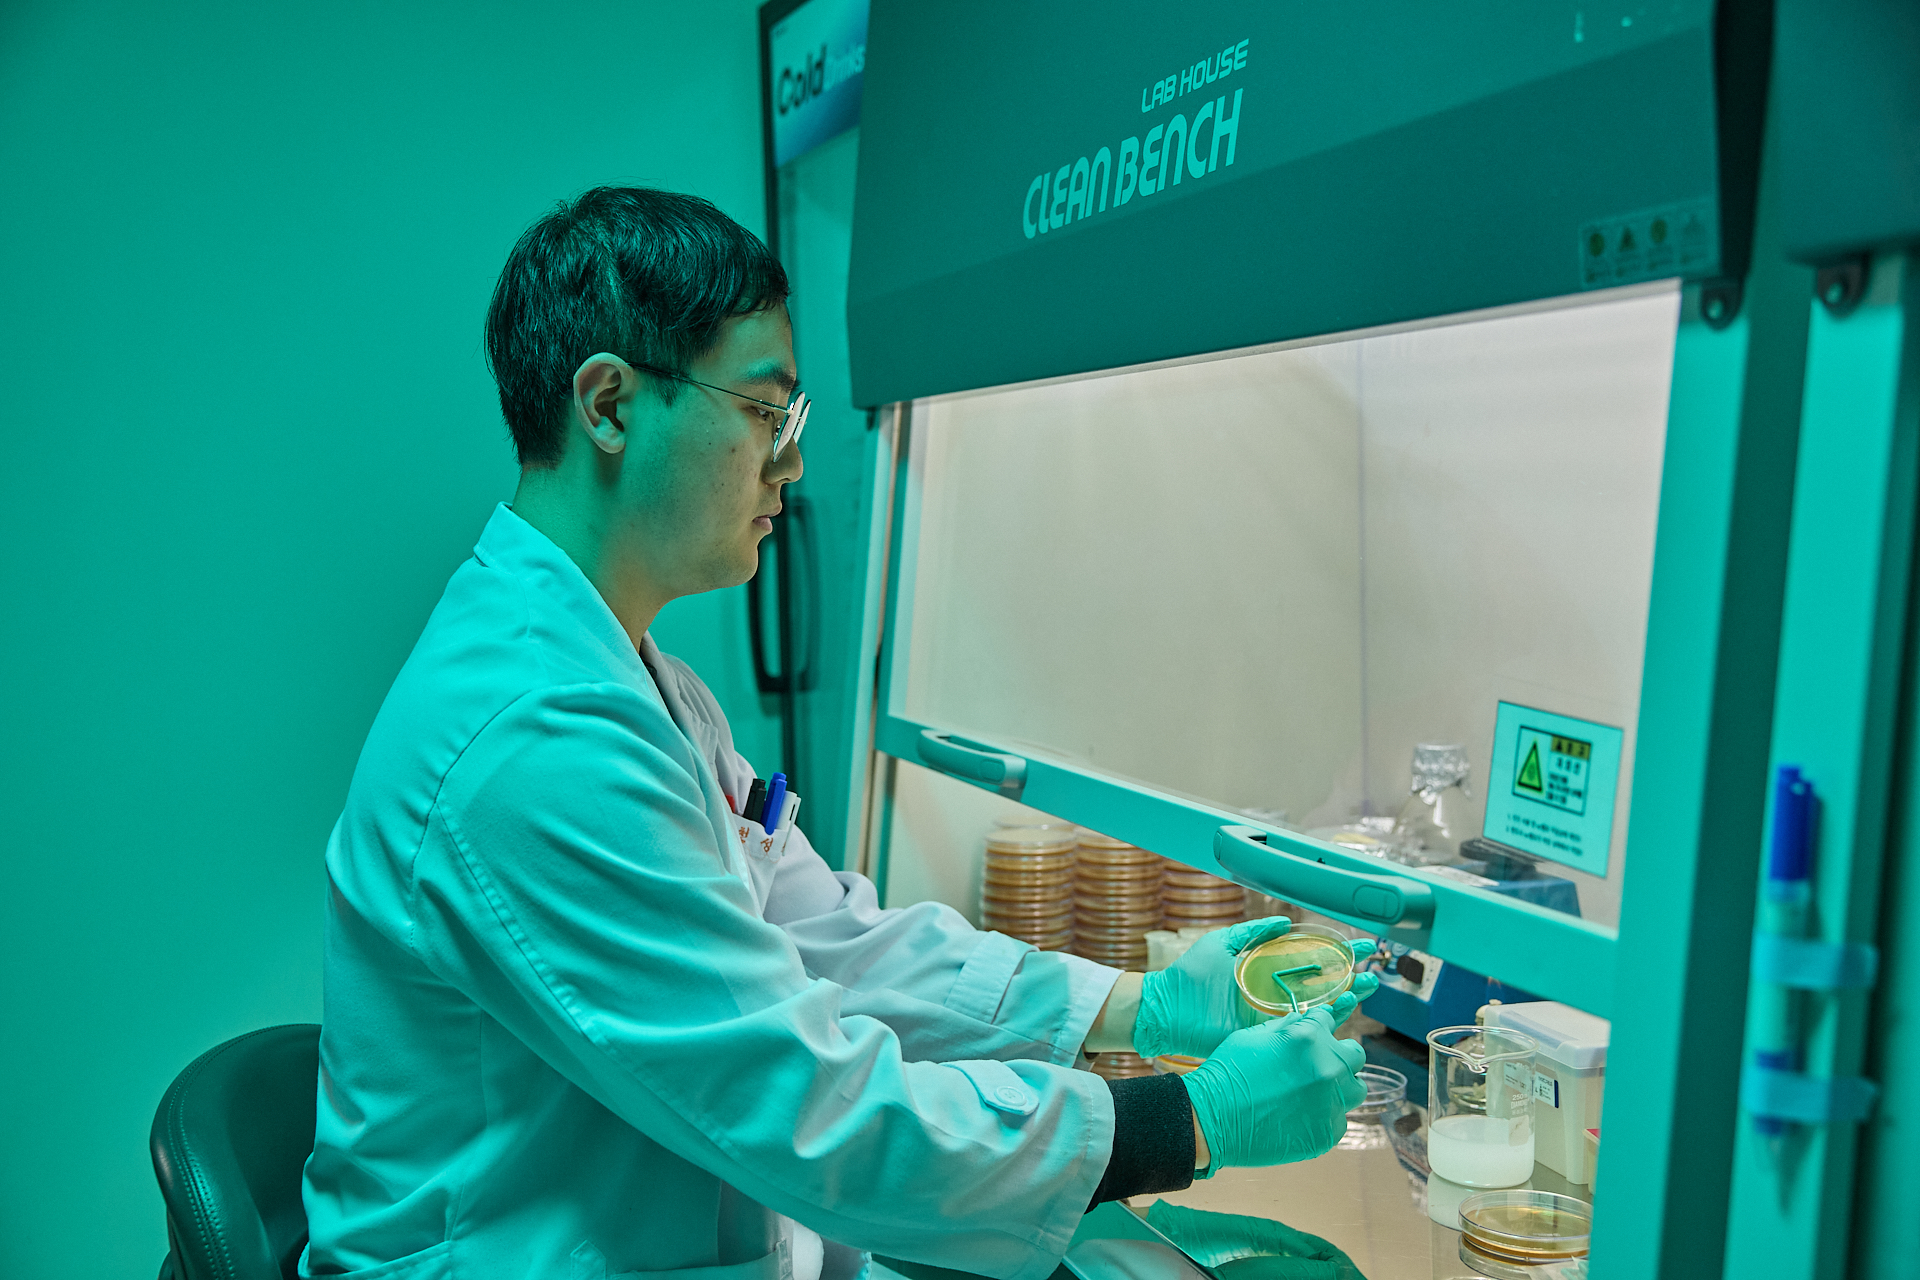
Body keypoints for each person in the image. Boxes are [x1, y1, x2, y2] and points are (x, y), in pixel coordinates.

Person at [300, 186, 1379, 1280]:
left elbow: (832, 943)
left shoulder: (637, 684)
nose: (793, 464)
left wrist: (1143, 1004)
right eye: (766, 413)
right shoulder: (535, 739)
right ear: (611, 405)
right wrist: (1191, 1120)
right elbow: (811, 1113)